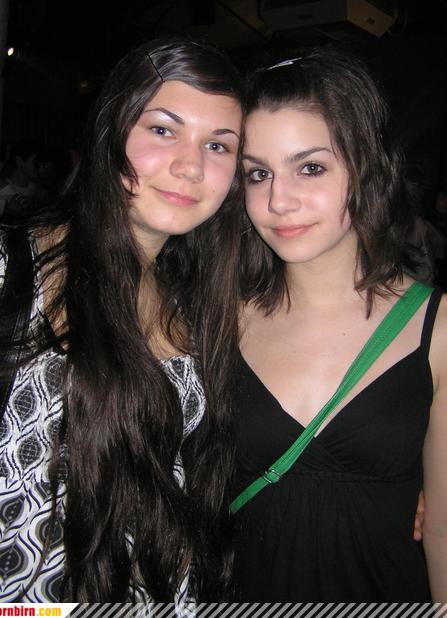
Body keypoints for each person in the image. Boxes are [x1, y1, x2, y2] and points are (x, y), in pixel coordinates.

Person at [0, 36, 243, 604]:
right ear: (110, 130)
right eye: (163, 130)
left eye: (218, 145)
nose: (191, 166)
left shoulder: (200, 306)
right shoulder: (0, 269)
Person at [231, 47, 447, 601]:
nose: (279, 200)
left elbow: (443, 532)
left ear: (366, 169)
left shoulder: (438, 327)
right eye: (258, 173)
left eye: (311, 167)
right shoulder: (213, 320)